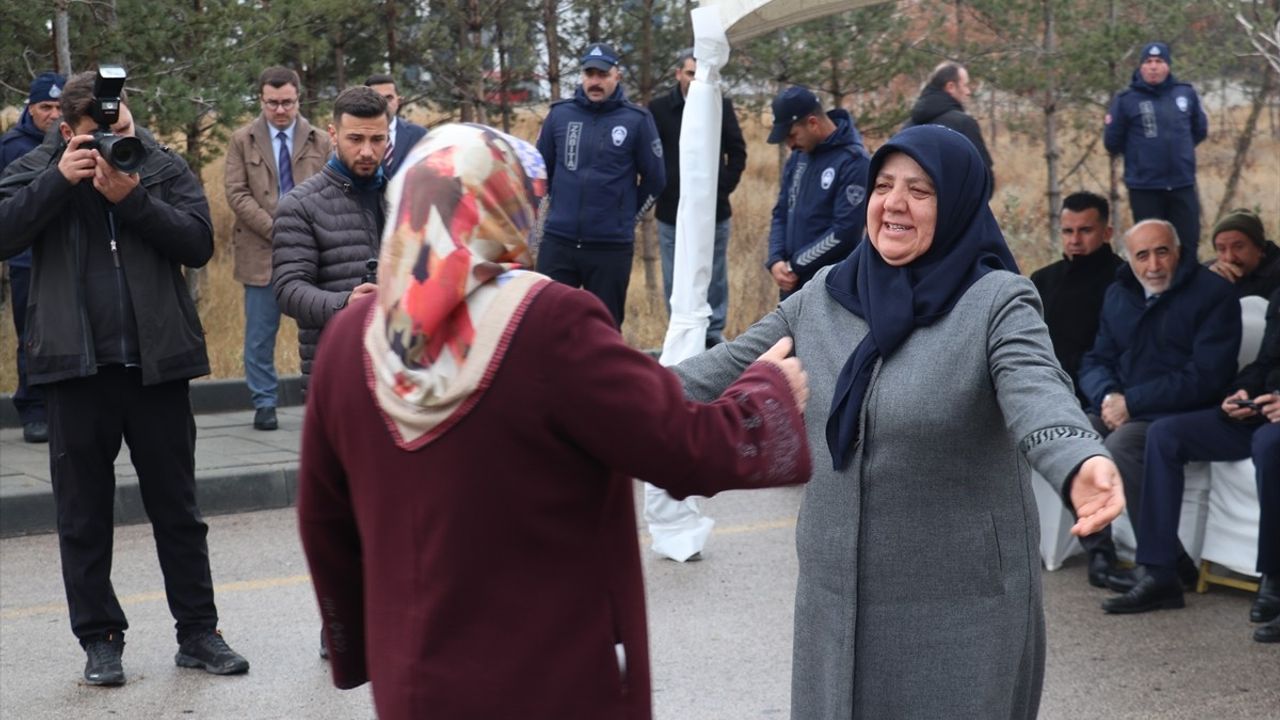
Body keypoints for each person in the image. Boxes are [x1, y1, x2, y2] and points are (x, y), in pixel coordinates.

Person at [295, 123, 813, 719]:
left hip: (410, 681)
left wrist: (371, 648)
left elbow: (322, 519)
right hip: (547, 677)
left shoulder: (349, 339)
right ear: (504, 208)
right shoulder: (549, 322)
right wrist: (765, 394)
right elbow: (679, 445)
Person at [674, 125, 1125, 719]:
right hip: (834, 596)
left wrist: (1076, 456)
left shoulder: (996, 301)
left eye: (920, 190)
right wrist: (593, 394)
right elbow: (716, 371)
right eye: (883, 185)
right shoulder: (825, 295)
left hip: (957, 605)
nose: (894, 203)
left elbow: (1037, 389)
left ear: (957, 203)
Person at [0, 69, 248, 687]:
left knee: (179, 511)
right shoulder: (37, 168)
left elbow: (198, 244)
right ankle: (100, 639)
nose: (117, 143)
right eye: (98, 136)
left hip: (157, 365)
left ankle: (199, 632)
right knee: (83, 516)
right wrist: (60, 180)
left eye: (124, 128)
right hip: (74, 368)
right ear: (68, 133)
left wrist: (131, 197)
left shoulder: (159, 166)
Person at [1102, 287, 1278, 645]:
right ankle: (1161, 572)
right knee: (1165, 434)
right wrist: (1240, 393)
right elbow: (1265, 363)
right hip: (1259, 410)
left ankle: (1274, 576)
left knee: (1269, 445)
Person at [1076, 219, 1240, 591]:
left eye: (1162, 252)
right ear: (1129, 259)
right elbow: (1096, 359)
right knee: (1075, 437)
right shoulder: (1119, 293)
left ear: (1178, 252)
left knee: (1124, 445)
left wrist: (1132, 403)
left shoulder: (1212, 293)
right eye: (1142, 255)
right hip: (1124, 405)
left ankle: (1161, 564)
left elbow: (1207, 375)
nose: (1153, 265)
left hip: (1184, 410)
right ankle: (1100, 551)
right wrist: (1108, 397)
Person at [224, 66, 330, 431]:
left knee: (319, 332)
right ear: (261, 100)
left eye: (287, 102)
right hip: (261, 252)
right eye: (272, 103)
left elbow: (332, 189)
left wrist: (305, 231)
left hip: (312, 251)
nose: (280, 110)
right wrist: (278, 229)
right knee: (259, 335)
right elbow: (236, 193)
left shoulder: (320, 140)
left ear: (299, 99)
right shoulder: (242, 140)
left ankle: (321, 400)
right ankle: (265, 402)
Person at [535, 42, 665, 328]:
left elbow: (656, 179)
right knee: (546, 325)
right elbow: (541, 170)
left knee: (603, 330)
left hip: (610, 247)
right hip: (559, 242)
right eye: (589, 73)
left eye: (603, 74)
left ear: (617, 75)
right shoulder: (560, 115)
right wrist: (557, 209)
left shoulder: (637, 120)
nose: (595, 81)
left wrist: (626, 217)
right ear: (582, 76)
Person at [273, 86, 389, 385]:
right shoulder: (300, 205)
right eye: (355, 139)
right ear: (333, 135)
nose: (367, 151)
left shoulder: (405, 198)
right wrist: (346, 303)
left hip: (401, 371)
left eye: (377, 139)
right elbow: (288, 291)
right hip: (336, 372)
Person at [648, 48, 747, 347]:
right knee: (674, 276)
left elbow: (737, 152)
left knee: (714, 274)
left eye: (700, 74)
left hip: (714, 212)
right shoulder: (659, 109)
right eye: (690, 73)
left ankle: (713, 335)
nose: (695, 79)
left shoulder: (720, 105)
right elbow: (649, 155)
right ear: (678, 74)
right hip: (670, 212)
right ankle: (679, 334)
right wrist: (661, 188)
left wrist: (720, 189)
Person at [0, 71, 62, 444]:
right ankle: (34, 409)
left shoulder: (78, 141)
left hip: (67, 255)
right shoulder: (11, 147)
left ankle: (64, 408)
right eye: (45, 106)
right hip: (26, 259)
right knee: (32, 337)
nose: (52, 115)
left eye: (59, 107)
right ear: (31, 108)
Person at [764, 86, 870, 298]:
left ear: (813, 123)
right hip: (792, 285)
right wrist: (776, 259)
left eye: (792, 135)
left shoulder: (854, 162)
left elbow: (845, 232)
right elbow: (781, 211)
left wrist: (795, 265)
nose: (790, 145)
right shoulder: (798, 158)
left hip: (830, 286)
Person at [1105, 42, 1208, 259]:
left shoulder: (1185, 94)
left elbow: (1199, 130)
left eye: (1159, 61)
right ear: (1141, 67)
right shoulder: (1126, 100)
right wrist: (1141, 156)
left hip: (1181, 184)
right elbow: (1113, 141)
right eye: (1148, 62)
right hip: (1145, 187)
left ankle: (1188, 281)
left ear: (1168, 66)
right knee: (1153, 248)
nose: (1153, 66)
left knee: (1188, 244)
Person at [1030, 191, 1123, 404]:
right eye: (1067, 231)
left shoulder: (1124, 280)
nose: (1075, 240)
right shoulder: (1042, 279)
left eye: (1085, 230)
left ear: (1107, 233)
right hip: (1043, 390)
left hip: (1099, 394)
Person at [904, 61, 994, 187]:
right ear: (950, 87)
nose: (968, 91)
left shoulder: (907, 127)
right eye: (965, 85)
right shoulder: (963, 124)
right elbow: (983, 177)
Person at [1206, 208, 1280, 299]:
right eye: (1221, 249)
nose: (1229, 258)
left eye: (1238, 247)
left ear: (1259, 248)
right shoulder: (1207, 273)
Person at [364, 73, 427, 178]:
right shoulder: (355, 137)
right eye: (376, 98)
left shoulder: (419, 135)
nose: (383, 103)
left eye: (389, 98)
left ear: (398, 101)